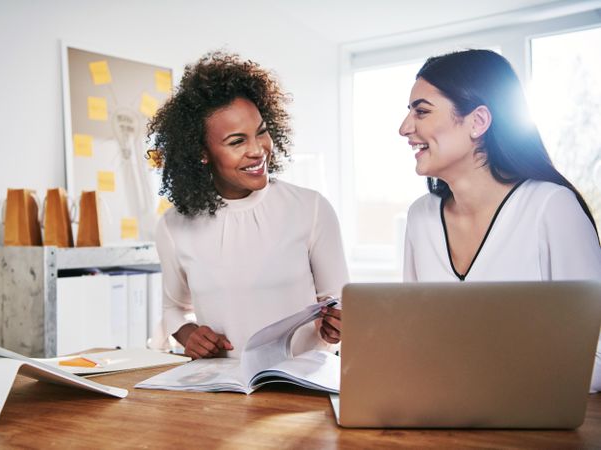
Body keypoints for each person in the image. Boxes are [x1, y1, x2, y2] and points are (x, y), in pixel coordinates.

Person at [398, 49, 601, 390]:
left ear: (477, 122)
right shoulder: (420, 217)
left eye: (421, 111)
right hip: (440, 417)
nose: (405, 128)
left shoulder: (552, 208)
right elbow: (415, 337)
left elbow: (596, 356)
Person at [146, 52, 348, 360]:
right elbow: (174, 310)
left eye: (262, 132)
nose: (257, 150)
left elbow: (339, 301)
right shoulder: (174, 226)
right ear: (202, 152)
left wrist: (337, 324)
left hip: (302, 385)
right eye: (236, 141)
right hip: (222, 386)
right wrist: (190, 335)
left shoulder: (311, 208)